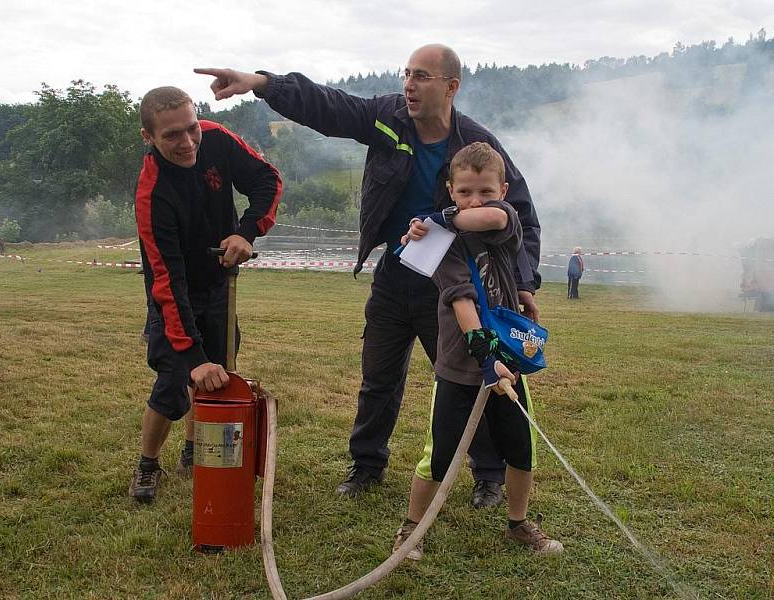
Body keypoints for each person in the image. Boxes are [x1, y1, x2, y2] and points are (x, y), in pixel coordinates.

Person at [195, 43, 542, 508]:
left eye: (422, 76)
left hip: (456, 285)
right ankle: (366, 465)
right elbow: (330, 107)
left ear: (451, 87)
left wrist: (522, 283)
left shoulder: (476, 146)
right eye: (407, 74)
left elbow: (520, 211)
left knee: (472, 378)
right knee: (378, 376)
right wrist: (263, 84)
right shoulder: (388, 116)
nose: (409, 85)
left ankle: (489, 475)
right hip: (395, 276)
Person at [392, 142, 562, 560]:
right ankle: (411, 530)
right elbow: (460, 297)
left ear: (503, 189)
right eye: (464, 191)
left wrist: (435, 218)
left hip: (511, 364)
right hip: (459, 364)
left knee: (521, 449)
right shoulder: (443, 244)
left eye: (486, 190)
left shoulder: (505, 222)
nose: (475, 200)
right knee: (439, 454)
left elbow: (492, 215)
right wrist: (484, 354)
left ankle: (519, 524)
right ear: (451, 188)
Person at [129, 86, 282, 502]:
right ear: (149, 137)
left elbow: (268, 180)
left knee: (218, 375)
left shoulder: (217, 139)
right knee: (176, 381)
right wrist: (192, 358)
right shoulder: (153, 193)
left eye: (192, 128)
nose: (188, 142)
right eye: (172, 135)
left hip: (220, 284)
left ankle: (195, 449)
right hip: (174, 296)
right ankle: (147, 465)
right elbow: (166, 279)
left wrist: (246, 231)